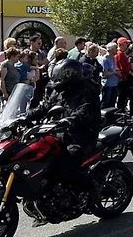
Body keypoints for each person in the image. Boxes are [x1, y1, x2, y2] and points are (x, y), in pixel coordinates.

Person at [22, 58, 101, 224]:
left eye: (59, 77)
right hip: (58, 133)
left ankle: (92, 186)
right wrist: (23, 118)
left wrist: (70, 120)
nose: (56, 81)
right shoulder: (59, 90)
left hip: (81, 135)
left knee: (66, 166)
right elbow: (44, 107)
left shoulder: (88, 90)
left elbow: (85, 110)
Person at [101, 43, 120, 109]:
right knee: (106, 103)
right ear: (111, 50)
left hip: (115, 84)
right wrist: (114, 72)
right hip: (108, 85)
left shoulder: (114, 58)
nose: (117, 50)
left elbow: (115, 69)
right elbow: (104, 74)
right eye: (115, 48)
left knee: (113, 104)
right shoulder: (105, 59)